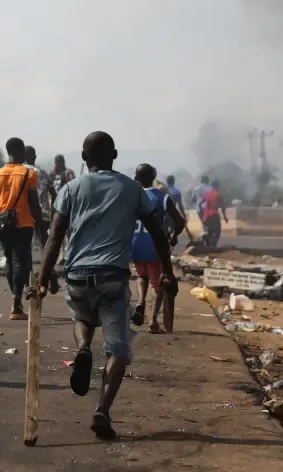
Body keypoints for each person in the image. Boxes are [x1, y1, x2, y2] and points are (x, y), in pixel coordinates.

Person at [29, 131, 174, 440]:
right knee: (118, 348)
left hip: (78, 275)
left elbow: (54, 238)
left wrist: (42, 281)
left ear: (84, 158)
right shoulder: (133, 190)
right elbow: (159, 234)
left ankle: (83, 348)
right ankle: (102, 412)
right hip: (112, 276)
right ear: (115, 156)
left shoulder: (70, 189)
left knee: (82, 317)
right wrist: (168, 272)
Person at [0, 138, 44, 320]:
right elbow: (34, 204)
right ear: (21, 152)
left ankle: (15, 299)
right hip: (24, 224)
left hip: (4, 225)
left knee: (10, 260)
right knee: (20, 261)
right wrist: (41, 227)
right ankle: (16, 304)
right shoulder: (28, 174)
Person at [130, 164, 186, 333]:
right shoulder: (163, 197)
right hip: (155, 246)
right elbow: (180, 222)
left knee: (141, 275)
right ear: (154, 177)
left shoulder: (132, 197)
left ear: (136, 178)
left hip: (135, 245)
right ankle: (153, 321)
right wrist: (174, 235)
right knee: (157, 285)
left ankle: (140, 302)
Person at [201, 180, 228, 247]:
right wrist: (224, 216)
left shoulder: (207, 193)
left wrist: (202, 214)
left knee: (210, 231)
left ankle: (206, 240)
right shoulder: (218, 194)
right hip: (214, 215)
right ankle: (213, 246)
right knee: (217, 232)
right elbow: (223, 206)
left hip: (206, 216)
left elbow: (200, 203)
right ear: (217, 185)